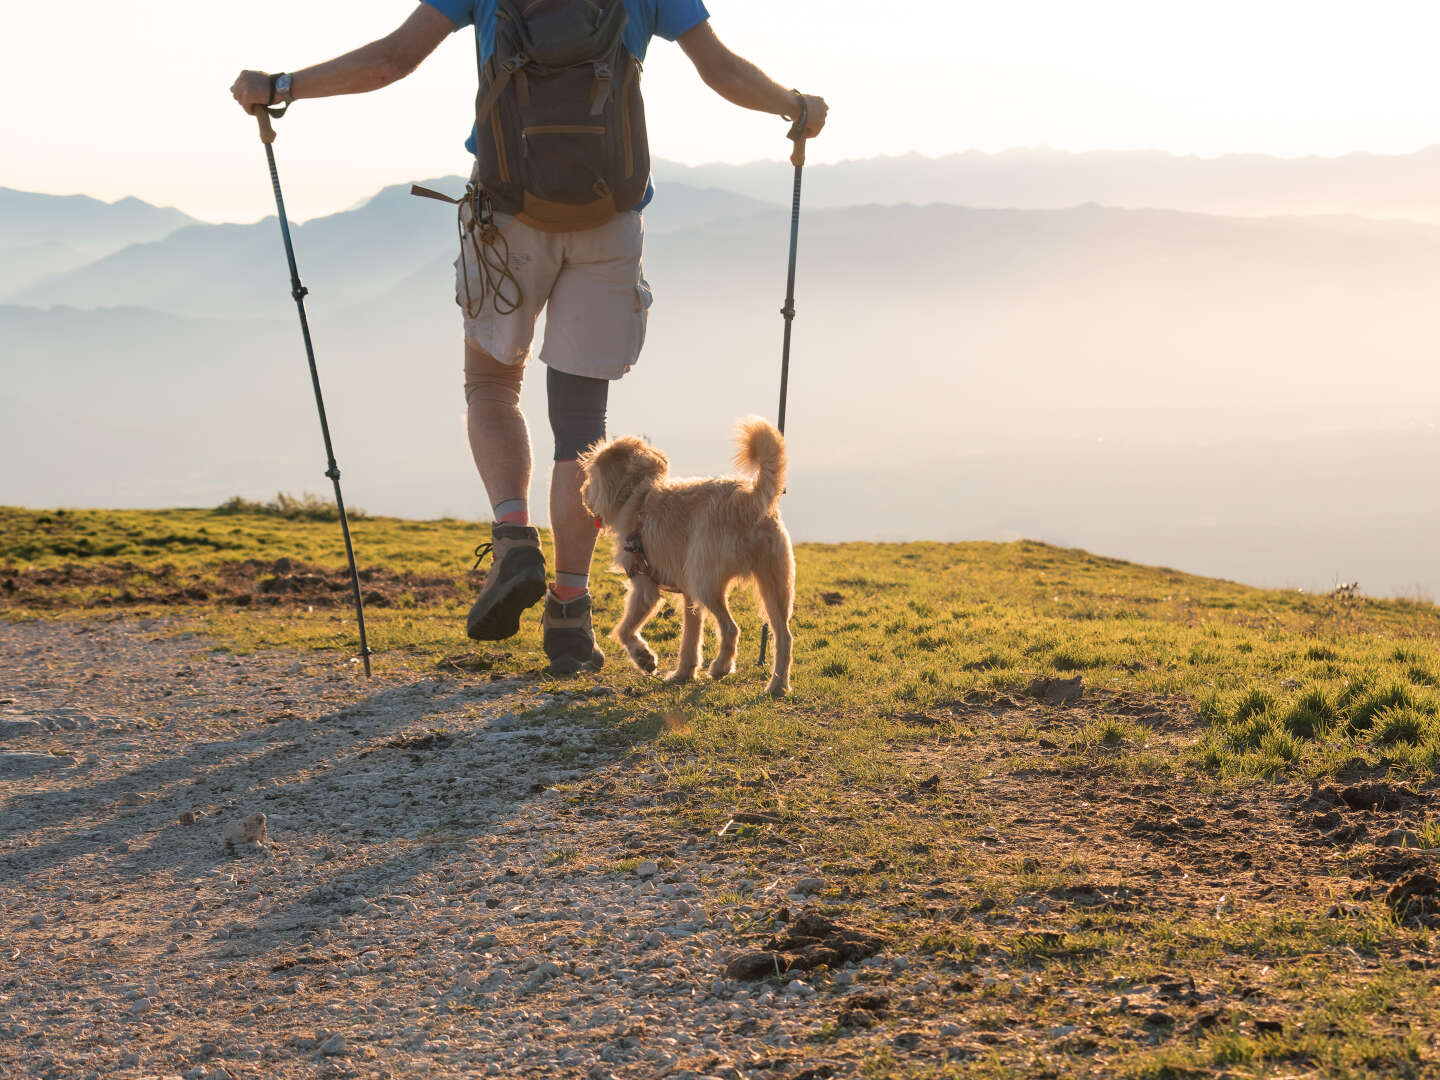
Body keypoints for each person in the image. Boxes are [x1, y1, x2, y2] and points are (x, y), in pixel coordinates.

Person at [231, 1, 827, 675]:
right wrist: (794, 107)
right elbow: (719, 67)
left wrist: (279, 88)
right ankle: (570, 613)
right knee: (580, 429)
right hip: (608, 219)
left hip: (506, 217)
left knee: (491, 385)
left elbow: (393, 59)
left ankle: (514, 537)